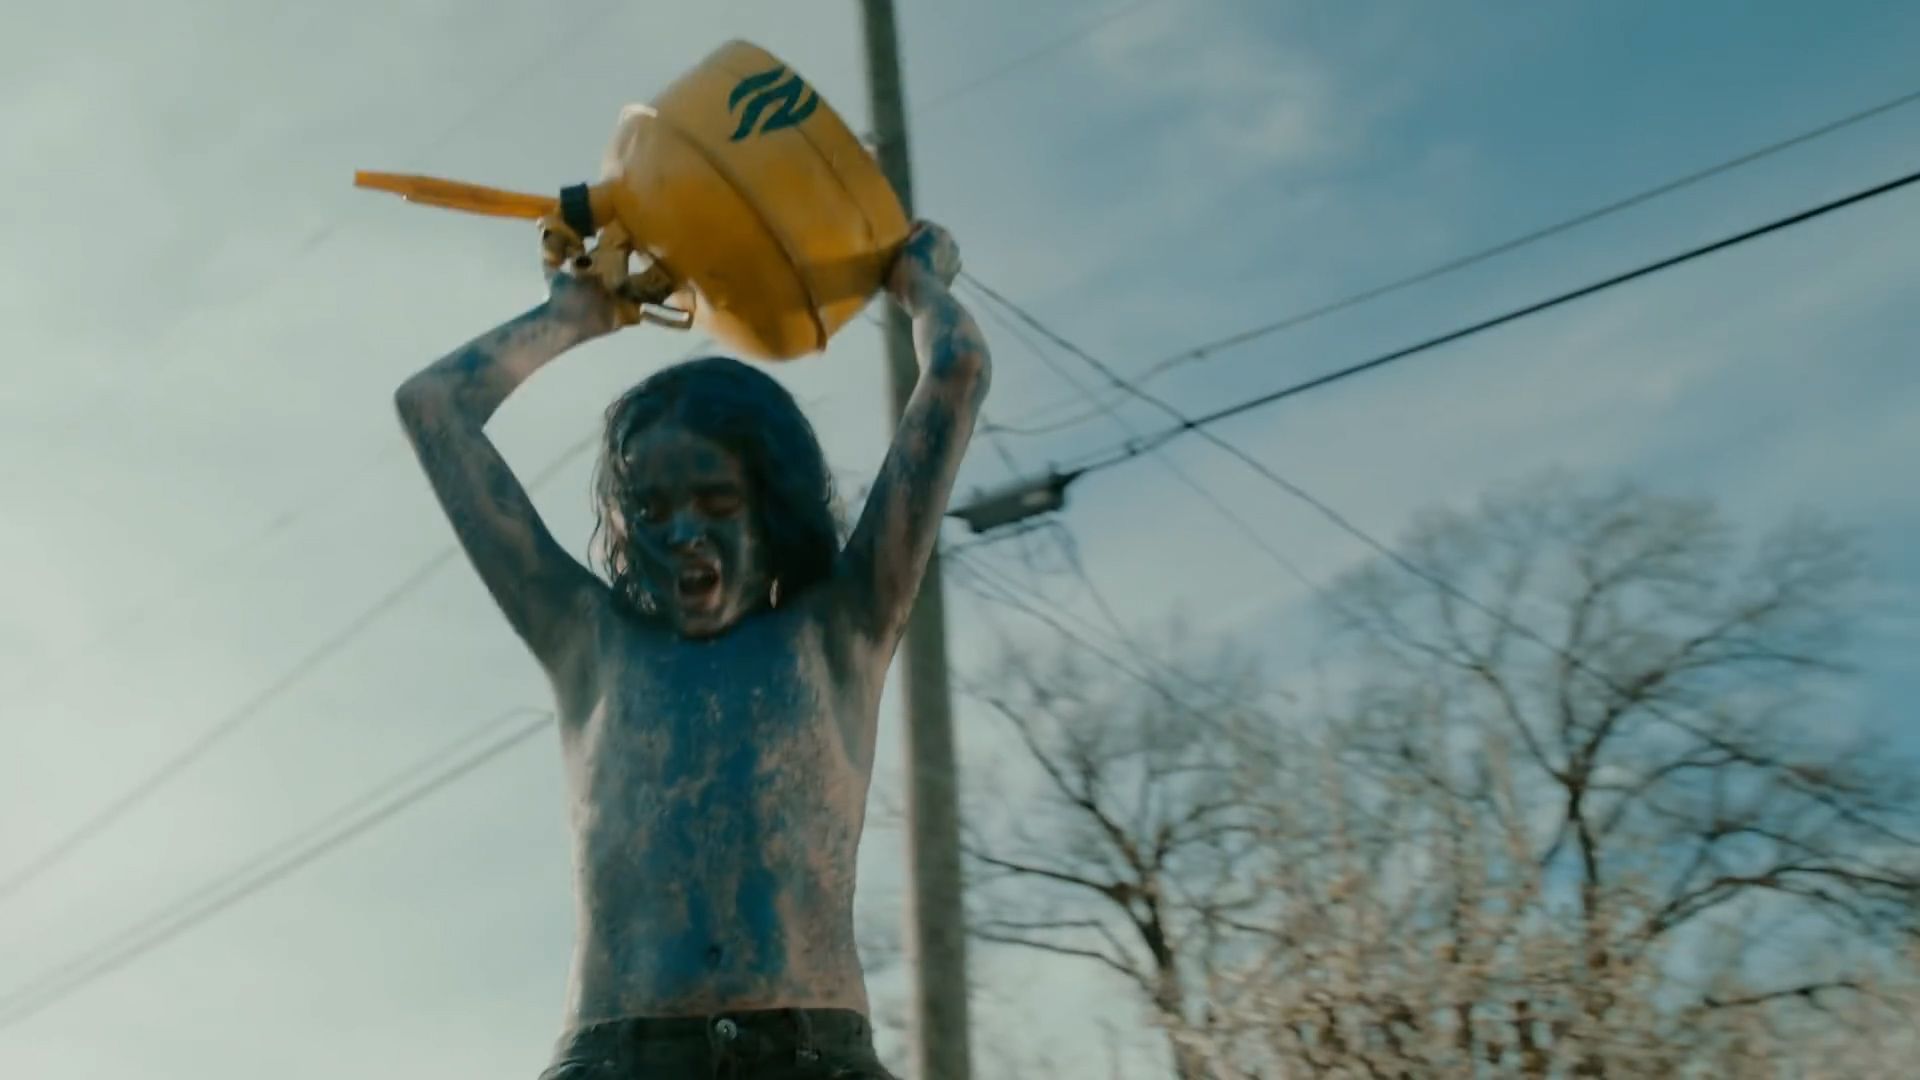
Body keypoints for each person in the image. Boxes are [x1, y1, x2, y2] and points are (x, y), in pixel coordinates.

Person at [393, 221, 988, 1079]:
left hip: (811, 1058)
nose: (682, 533)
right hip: (616, 1058)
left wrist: (920, 285)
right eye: (651, 507)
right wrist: (573, 316)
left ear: (770, 510)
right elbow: (433, 407)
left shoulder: (841, 627)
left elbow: (957, 370)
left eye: (716, 501)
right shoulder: (586, 637)